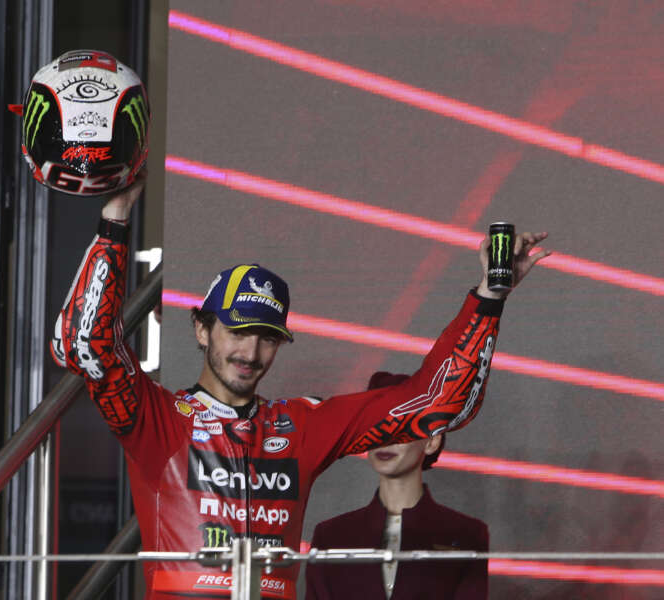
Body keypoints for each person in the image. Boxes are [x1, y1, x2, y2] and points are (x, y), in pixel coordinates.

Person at [51, 176, 549, 599]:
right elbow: (84, 347)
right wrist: (114, 223)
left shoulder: (300, 426)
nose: (251, 353)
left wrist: (488, 299)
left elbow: (436, 403)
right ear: (201, 330)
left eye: (268, 339)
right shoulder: (155, 420)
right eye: (239, 332)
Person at [305, 372, 489, 600]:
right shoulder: (331, 537)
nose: (385, 437)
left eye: (401, 424)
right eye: (375, 423)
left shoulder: (466, 535)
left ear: (432, 440)